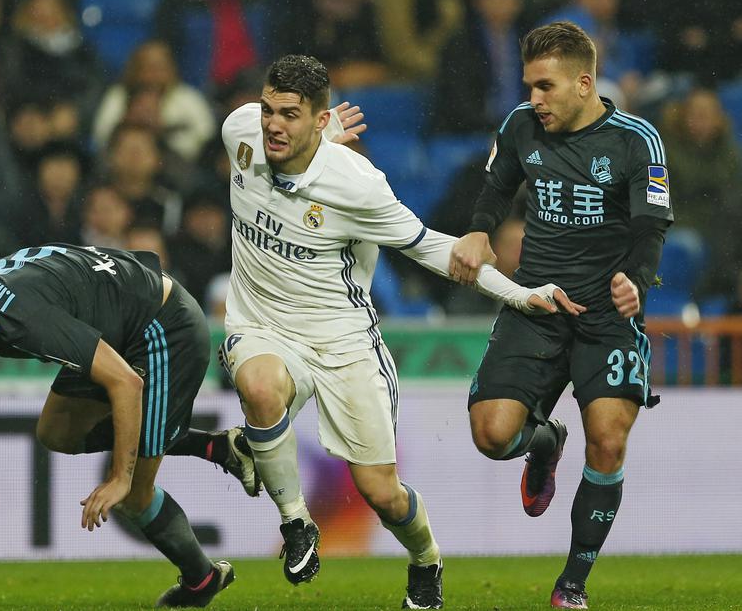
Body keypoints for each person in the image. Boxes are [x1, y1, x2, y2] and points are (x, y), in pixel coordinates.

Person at [219, 54, 580, 609]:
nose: (271, 124)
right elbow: (274, 141)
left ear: (320, 120)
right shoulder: (238, 132)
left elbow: (431, 247)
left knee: (381, 493)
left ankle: (426, 560)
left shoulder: (356, 185)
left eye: (290, 115)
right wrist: (309, 137)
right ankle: (297, 523)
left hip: (343, 344)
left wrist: (518, 293)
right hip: (262, 325)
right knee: (260, 386)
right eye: (268, 110)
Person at [0, 245, 256, 607]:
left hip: (163, 327)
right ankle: (219, 448)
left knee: (134, 496)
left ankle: (202, 579)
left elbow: (126, 383)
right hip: (112, 325)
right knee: (56, 432)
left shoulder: (19, 314)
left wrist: (120, 477)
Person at [449, 21, 673, 609]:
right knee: (492, 436)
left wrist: (636, 280)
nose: (534, 98)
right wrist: (479, 230)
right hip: (537, 304)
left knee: (608, 441)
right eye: (529, 85)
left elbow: (651, 226)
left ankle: (572, 583)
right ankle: (545, 441)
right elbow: (496, 187)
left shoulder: (637, 140)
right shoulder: (521, 124)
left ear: (584, 83)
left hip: (607, 314)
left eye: (545, 86)